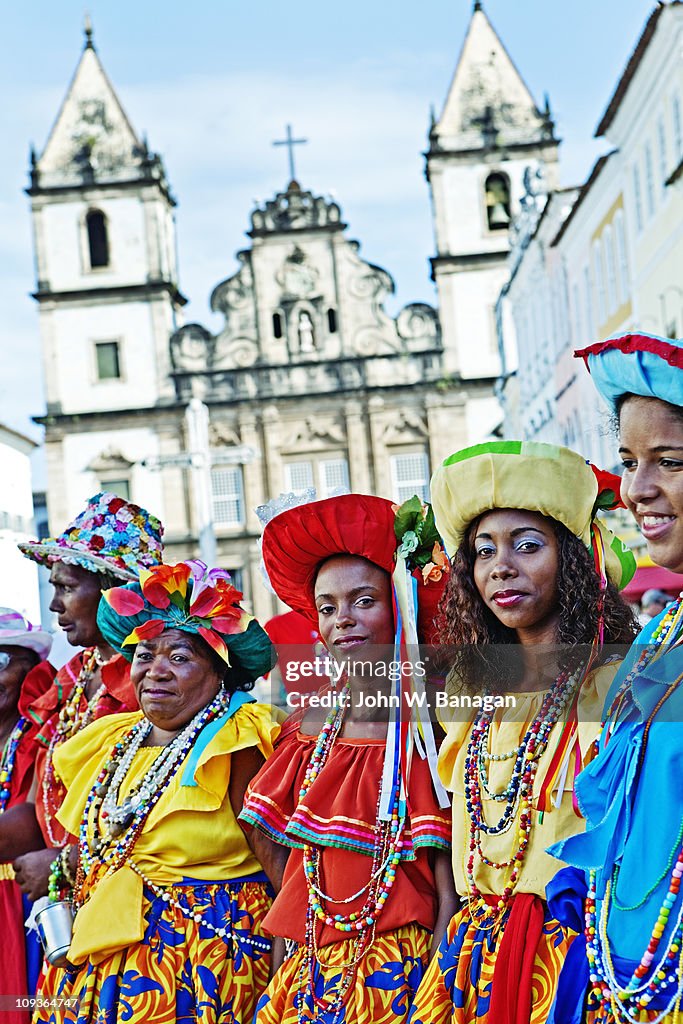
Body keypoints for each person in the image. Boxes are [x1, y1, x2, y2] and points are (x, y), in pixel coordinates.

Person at [407, 441, 638, 1024]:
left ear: (577, 561)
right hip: (473, 959)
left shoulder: (617, 685)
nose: (500, 567)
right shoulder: (466, 691)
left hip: (576, 958)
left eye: (527, 546)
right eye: (483, 552)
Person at [33, 558, 280, 1024]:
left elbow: (285, 879)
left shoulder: (234, 743)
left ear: (221, 675)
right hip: (97, 975)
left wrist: (286, 983)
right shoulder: (112, 740)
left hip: (202, 978)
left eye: (180, 657)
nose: (156, 671)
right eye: (145, 656)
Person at [240, 493, 456, 1024]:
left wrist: (442, 974)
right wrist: (292, 939)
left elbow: (451, 872)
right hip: (310, 970)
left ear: (400, 604)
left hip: (405, 970)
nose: (343, 621)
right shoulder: (307, 726)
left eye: (364, 601)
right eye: (329, 607)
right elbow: (279, 848)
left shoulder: (435, 721)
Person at [548, 332, 683, 1023]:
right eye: (628, 462)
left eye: (670, 462)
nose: (637, 490)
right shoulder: (658, 638)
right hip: (623, 978)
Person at [0, 493, 164, 903]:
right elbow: (42, 808)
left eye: (67, 587)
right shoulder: (69, 682)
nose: (55, 604)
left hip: (138, 910)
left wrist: (63, 863)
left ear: (114, 591)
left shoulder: (159, 685)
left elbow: (159, 821)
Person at [0, 610, 54, 1023]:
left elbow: (31, 825)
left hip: (22, 902)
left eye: (0, 660)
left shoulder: (40, 735)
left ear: (30, 670)